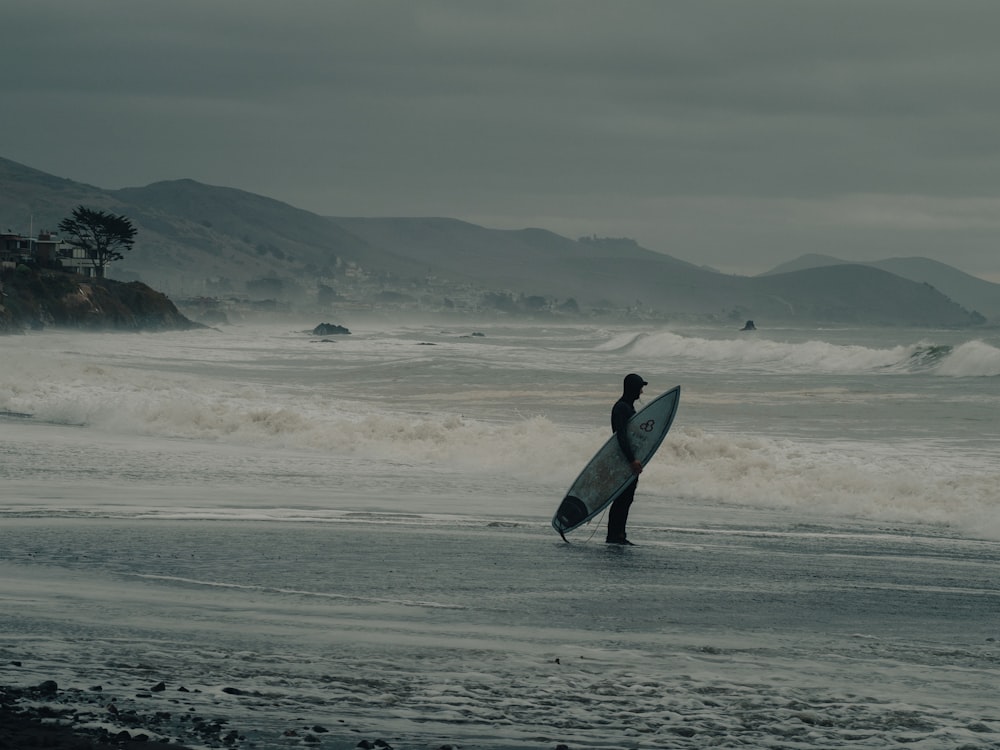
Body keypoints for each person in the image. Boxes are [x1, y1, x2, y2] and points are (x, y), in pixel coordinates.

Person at [607, 373, 646, 545]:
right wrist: (631, 459)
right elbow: (621, 436)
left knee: (627, 498)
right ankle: (614, 536)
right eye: (640, 387)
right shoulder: (621, 408)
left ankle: (620, 534)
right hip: (623, 460)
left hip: (628, 459)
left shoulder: (628, 408)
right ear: (632, 388)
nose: (642, 391)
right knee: (622, 498)